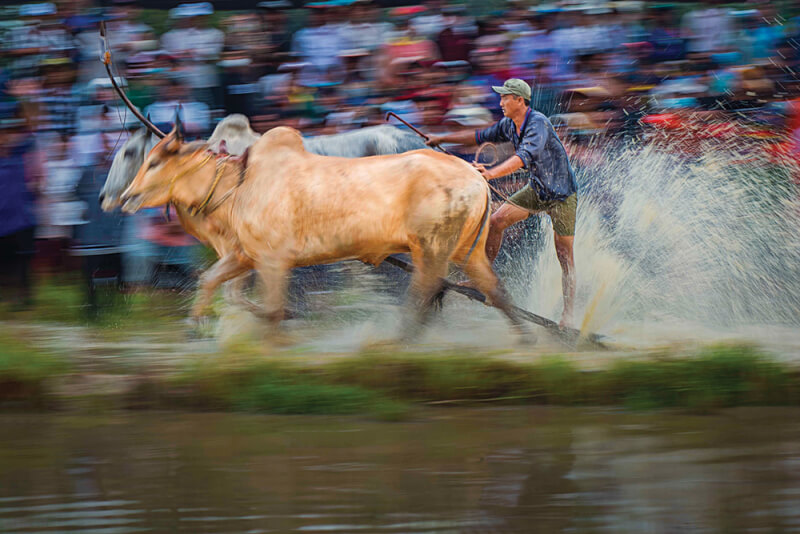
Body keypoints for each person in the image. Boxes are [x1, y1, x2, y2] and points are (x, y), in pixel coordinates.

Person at [426, 78, 578, 327]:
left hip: (562, 196)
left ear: (520, 100)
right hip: (537, 190)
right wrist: (441, 139)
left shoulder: (538, 123)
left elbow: (522, 158)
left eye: (505, 97)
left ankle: (569, 315)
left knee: (564, 256)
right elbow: (478, 135)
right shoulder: (508, 124)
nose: (501, 101)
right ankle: (481, 278)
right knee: (496, 221)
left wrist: (490, 174)